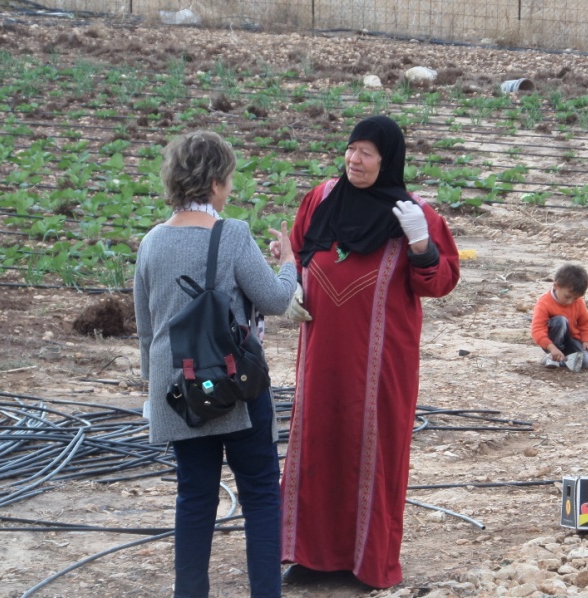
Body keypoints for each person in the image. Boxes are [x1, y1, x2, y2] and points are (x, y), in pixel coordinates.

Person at [275, 115, 460, 589]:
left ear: (388, 159)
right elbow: (299, 249)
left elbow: (440, 283)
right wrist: (291, 283)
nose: (354, 160)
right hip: (321, 356)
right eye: (350, 149)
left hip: (381, 364)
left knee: (370, 449)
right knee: (318, 440)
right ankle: (313, 558)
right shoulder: (321, 198)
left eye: (367, 153)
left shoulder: (413, 214)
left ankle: (366, 563)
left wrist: (421, 244)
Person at [133, 130, 297, 598]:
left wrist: (151, 396)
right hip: (236, 387)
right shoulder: (233, 234)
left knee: (195, 499)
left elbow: (148, 331)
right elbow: (277, 299)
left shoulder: (151, 242)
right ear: (217, 181)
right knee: (261, 495)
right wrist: (289, 262)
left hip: (181, 391)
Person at [530, 263, 588, 370]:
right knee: (561, 320)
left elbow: (586, 323)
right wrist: (552, 348)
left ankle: (560, 361)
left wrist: (586, 341)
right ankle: (553, 356)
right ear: (556, 286)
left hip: (572, 340)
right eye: (567, 297)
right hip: (552, 342)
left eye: (575, 298)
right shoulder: (544, 303)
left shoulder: (578, 302)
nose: (571, 301)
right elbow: (537, 330)